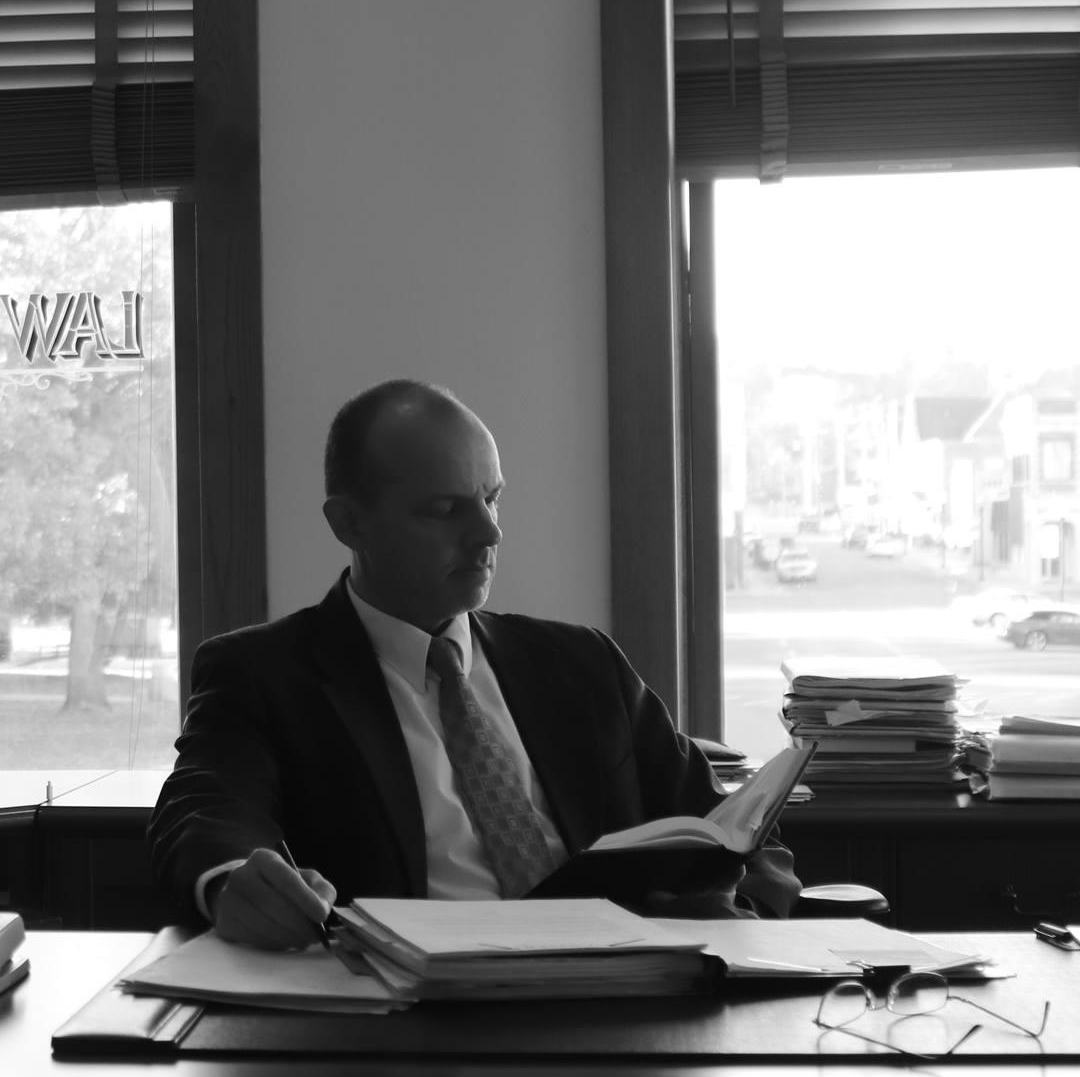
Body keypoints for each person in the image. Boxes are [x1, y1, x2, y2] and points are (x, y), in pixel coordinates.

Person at [148, 379, 801, 949]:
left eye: (493, 498)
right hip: (405, 1023)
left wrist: (744, 919)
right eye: (445, 510)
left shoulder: (582, 664)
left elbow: (733, 830)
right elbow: (208, 807)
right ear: (349, 523)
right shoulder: (262, 674)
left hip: (616, 1007)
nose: (489, 532)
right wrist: (232, 880)